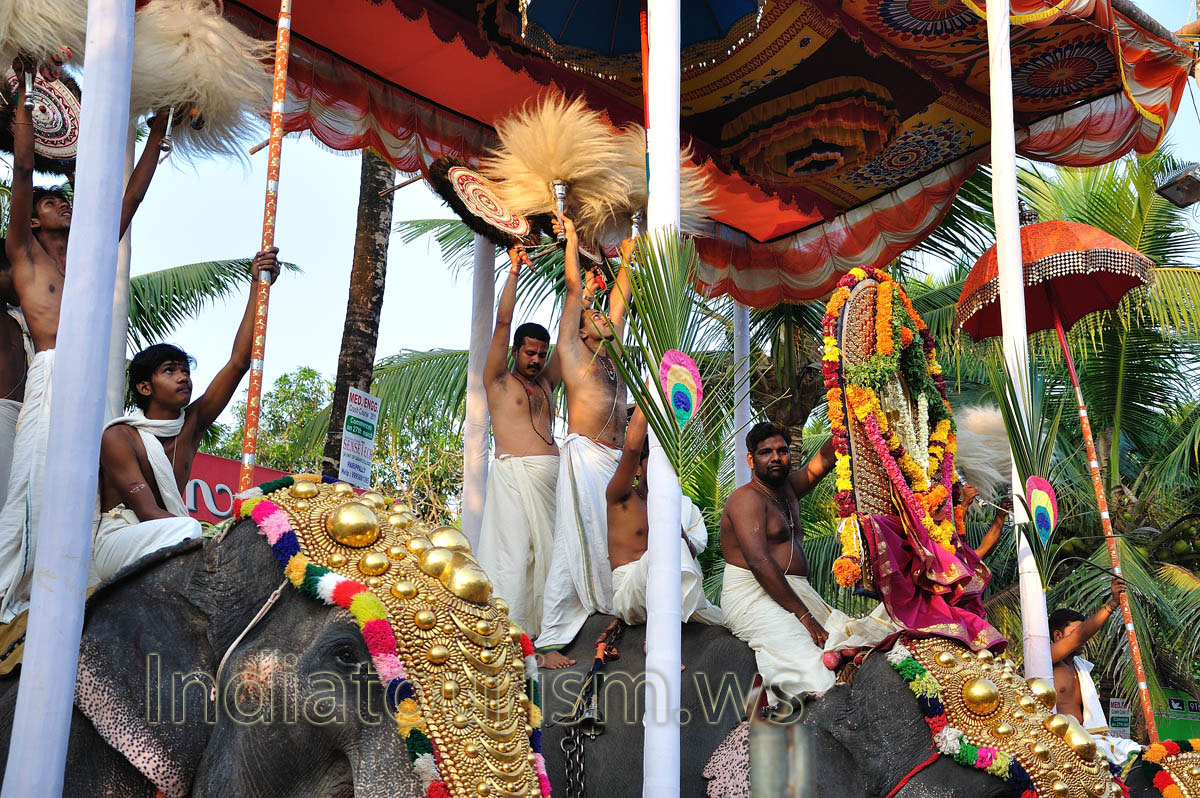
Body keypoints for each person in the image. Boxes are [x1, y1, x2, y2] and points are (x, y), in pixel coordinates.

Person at [0, 60, 171, 621]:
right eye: (54, 204)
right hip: (50, 378)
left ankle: (65, 606)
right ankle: (6, 610)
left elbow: (132, 200)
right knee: (32, 498)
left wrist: (161, 126)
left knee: (76, 503)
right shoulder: (24, 257)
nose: (63, 205)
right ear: (31, 222)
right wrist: (24, 113)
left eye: (65, 201)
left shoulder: (92, 255)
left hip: (91, 386)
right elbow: (23, 176)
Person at [91, 250, 281, 582]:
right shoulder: (120, 437)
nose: (183, 378)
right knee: (194, 529)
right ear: (145, 387)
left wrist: (258, 286)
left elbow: (239, 362)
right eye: (169, 371)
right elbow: (148, 513)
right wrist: (207, 541)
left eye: (184, 370)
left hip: (173, 533)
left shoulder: (190, 426)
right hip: (118, 541)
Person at [720, 422, 893, 703]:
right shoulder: (745, 499)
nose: (776, 457)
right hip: (751, 596)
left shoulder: (788, 490)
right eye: (766, 452)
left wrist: (850, 414)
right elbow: (760, 562)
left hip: (795, 593)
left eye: (782, 451)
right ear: (751, 459)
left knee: (856, 636)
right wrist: (805, 617)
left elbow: (826, 458)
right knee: (807, 662)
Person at [536, 215, 633, 668]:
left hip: (617, 460)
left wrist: (630, 258)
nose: (600, 316)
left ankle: (619, 608)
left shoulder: (609, 352)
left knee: (615, 539)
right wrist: (573, 240)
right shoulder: (573, 354)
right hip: (586, 457)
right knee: (574, 543)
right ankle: (552, 639)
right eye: (592, 317)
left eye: (601, 315)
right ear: (579, 331)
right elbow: (576, 293)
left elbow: (620, 300)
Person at [476, 246, 560, 639]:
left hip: (551, 481)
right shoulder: (498, 380)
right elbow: (502, 321)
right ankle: (511, 635)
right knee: (513, 559)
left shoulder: (545, 381)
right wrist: (512, 270)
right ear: (515, 351)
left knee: (553, 561)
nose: (537, 359)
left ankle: (549, 636)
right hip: (514, 477)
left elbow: (575, 333)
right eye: (530, 352)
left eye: (542, 353)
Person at [606, 406, 721, 627]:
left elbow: (694, 551)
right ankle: (657, 639)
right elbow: (631, 448)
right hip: (631, 593)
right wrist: (648, 397)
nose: (664, 466)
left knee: (726, 622)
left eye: (670, 460)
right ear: (638, 468)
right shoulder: (621, 498)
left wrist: (680, 535)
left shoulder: (683, 505)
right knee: (667, 542)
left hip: (673, 589)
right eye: (656, 459)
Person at [1050, 579, 1142, 767]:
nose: (1084, 638)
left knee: (1139, 751)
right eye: (1077, 631)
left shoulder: (1079, 667)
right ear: (1058, 636)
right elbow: (1081, 635)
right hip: (1059, 743)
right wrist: (1112, 604)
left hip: (1089, 739)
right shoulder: (1045, 659)